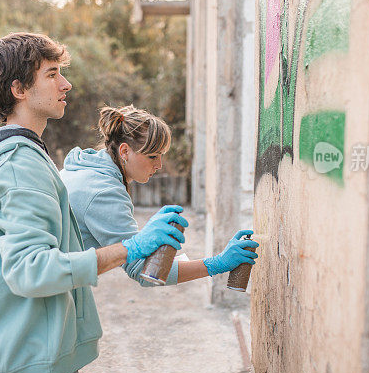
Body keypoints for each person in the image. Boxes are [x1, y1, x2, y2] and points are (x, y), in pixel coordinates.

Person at [0, 33, 188, 373]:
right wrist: (132, 247)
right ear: (19, 88)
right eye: (52, 74)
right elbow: (31, 271)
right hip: (31, 366)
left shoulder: (26, 157)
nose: (66, 84)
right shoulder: (19, 167)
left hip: (37, 357)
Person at [60, 104, 259, 287]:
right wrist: (217, 263)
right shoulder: (104, 192)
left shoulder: (85, 169)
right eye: (152, 156)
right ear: (124, 151)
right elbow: (144, 272)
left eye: (161, 155)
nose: (159, 165)